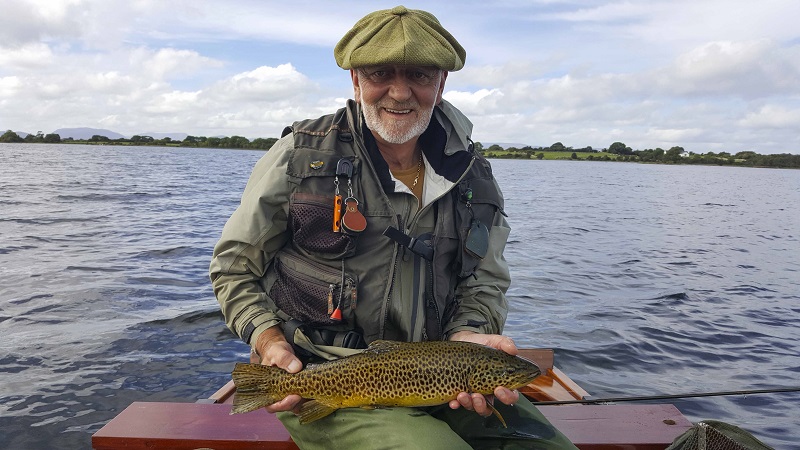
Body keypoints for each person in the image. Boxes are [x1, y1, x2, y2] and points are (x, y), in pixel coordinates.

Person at [210, 6, 578, 449]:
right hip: (323, 372)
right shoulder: (298, 156)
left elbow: (484, 281)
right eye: (380, 73)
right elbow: (234, 268)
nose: (400, 93)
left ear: (441, 84)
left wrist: (470, 333)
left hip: (443, 376)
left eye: (420, 76)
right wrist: (270, 343)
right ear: (355, 80)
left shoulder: (474, 175)